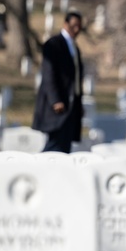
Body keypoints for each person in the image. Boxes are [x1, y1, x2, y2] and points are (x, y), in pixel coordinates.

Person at [32, 11, 85, 153]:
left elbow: (76, 78)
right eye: (74, 26)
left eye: (79, 26)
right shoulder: (54, 44)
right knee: (54, 144)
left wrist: (79, 103)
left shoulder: (75, 48)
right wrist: (55, 100)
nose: (77, 29)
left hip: (72, 105)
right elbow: (49, 74)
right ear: (65, 24)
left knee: (65, 145)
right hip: (58, 105)